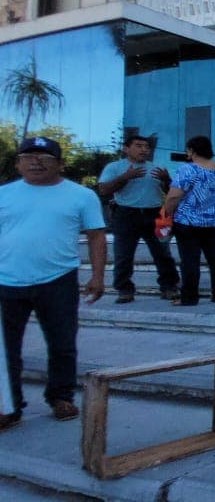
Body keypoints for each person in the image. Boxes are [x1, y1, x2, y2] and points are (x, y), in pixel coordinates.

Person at [0, 137, 107, 430]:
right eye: (28, 156)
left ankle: (61, 397)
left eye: (45, 157)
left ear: (60, 163)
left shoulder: (81, 196)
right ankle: (9, 406)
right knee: (6, 349)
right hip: (6, 282)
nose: (36, 161)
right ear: (18, 163)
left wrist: (98, 277)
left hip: (58, 280)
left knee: (62, 344)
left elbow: (96, 237)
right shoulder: (4, 195)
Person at [97, 135, 180, 303]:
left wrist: (166, 179)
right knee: (124, 255)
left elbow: (170, 192)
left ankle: (169, 286)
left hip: (155, 213)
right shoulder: (114, 167)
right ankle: (124, 290)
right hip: (126, 214)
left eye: (146, 147)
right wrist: (125, 177)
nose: (144, 149)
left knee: (163, 253)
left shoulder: (156, 167)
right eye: (138, 145)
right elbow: (104, 190)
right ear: (126, 149)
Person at [163, 136, 215, 306]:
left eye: (188, 150)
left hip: (189, 222)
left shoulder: (188, 169)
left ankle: (189, 297)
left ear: (192, 150)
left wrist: (164, 215)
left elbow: (174, 196)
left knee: (190, 261)